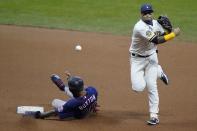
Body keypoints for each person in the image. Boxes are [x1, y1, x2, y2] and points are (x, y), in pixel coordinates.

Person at [129, 4, 180, 125]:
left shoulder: (157, 23)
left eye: (150, 13)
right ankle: (159, 71)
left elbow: (163, 34)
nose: (148, 15)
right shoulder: (139, 27)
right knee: (138, 88)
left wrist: (169, 29)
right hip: (137, 61)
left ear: (152, 13)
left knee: (152, 86)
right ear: (141, 14)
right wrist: (174, 34)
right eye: (145, 13)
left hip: (152, 57)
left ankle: (154, 116)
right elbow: (156, 40)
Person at [34, 71, 99, 119]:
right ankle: (63, 87)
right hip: (86, 111)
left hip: (78, 115)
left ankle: (63, 87)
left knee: (54, 101)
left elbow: (55, 112)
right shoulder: (92, 90)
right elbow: (83, 89)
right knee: (78, 94)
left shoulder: (72, 103)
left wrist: (40, 115)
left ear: (71, 90)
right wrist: (93, 105)